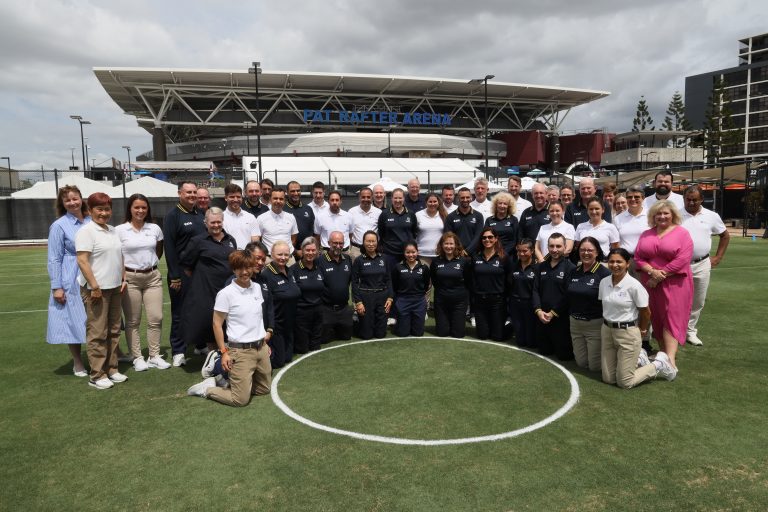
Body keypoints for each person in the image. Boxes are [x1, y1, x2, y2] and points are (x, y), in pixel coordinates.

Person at [186, 250, 273, 405]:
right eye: (240, 268)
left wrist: (264, 342)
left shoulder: (258, 288)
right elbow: (217, 324)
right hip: (240, 351)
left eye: (248, 267)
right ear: (233, 269)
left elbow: (257, 318)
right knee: (239, 400)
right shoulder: (226, 294)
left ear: (253, 268)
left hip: (261, 348)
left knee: (265, 389)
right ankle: (206, 389)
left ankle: (226, 382)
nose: (244, 272)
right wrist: (224, 352)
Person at [600, 248, 677, 388]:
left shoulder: (634, 285)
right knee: (608, 379)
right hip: (607, 331)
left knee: (625, 382)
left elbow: (646, 312)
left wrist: (642, 329)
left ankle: (659, 363)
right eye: (611, 261)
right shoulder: (604, 282)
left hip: (627, 332)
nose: (615, 265)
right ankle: (639, 357)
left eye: (619, 262)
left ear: (628, 264)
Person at [75, 192, 127, 390]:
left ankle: (112, 368)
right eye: (99, 209)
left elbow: (119, 256)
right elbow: (82, 260)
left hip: (114, 287)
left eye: (107, 209)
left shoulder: (112, 230)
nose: (104, 213)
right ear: (90, 210)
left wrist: (123, 278)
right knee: (98, 332)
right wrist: (94, 286)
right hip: (96, 289)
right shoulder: (86, 231)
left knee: (114, 330)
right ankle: (97, 374)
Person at [634, 200, 694, 371]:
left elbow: (683, 258)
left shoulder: (682, 233)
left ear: (673, 215)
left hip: (676, 283)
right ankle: (662, 353)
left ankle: (670, 359)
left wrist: (660, 275)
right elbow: (638, 256)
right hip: (650, 283)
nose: (662, 216)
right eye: (658, 214)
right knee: (657, 317)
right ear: (653, 216)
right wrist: (652, 272)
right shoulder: (646, 234)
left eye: (666, 213)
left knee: (671, 318)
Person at [116, 194, 169, 372]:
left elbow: (159, 251)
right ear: (129, 209)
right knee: (133, 321)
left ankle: (154, 356)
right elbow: (117, 257)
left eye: (143, 208)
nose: (140, 211)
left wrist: (149, 265)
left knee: (156, 318)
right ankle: (137, 356)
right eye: (136, 207)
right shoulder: (120, 230)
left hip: (152, 277)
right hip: (130, 278)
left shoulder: (154, 228)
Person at [180, 207, 237, 356]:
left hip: (228, 289)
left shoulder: (231, 240)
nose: (216, 225)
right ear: (206, 223)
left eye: (219, 222)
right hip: (207, 290)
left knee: (228, 323)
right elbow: (187, 266)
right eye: (212, 222)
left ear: (223, 222)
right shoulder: (198, 241)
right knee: (210, 324)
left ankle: (225, 355)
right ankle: (215, 361)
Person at [47, 185, 90, 377]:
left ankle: (113, 352)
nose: (72, 202)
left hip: (93, 272)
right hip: (71, 276)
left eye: (75, 198)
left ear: (81, 199)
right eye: (67, 200)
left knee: (99, 316)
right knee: (74, 320)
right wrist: (57, 287)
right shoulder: (59, 225)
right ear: (62, 204)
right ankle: (78, 362)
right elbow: (54, 258)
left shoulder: (91, 220)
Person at [681, 185, 730, 346]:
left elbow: (724, 236)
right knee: (677, 299)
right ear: (684, 199)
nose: (691, 202)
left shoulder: (711, 216)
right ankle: (675, 329)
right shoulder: (675, 215)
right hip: (679, 264)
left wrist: (718, 257)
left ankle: (690, 331)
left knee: (698, 300)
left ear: (701, 199)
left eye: (695, 199)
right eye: (688, 199)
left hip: (702, 263)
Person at [164, 181, 206, 367]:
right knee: (180, 312)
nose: (192, 195)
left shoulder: (200, 214)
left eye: (194, 192)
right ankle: (179, 350)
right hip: (181, 272)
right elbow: (170, 247)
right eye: (188, 192)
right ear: (179, 193)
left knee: (201, 308)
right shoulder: (173, 216)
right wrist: (174, 275)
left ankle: (200, 344)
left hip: (199, 271)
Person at [566, 237, 611, 372]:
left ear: (597, 252)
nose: (586, 253)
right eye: (582, 250)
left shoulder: (604, 274)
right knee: (581, 363)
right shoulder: (574, 271)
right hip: (575, 324)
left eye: (590, 250)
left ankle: (638, 358)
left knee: (595, 367)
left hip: (594, 325)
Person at [532, 233, 575, 360]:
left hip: (560, 318)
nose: (554, 250)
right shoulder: (541, 266)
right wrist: (538, 311)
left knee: (563, 356)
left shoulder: (570, 268)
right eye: (551, 246)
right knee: (544, 352)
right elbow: (535, 290)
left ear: (565, 247)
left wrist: (553, 313)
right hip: (542, 317)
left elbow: (568, 295)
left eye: (558, 246)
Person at [261, 240, 301, 368]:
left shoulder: (290, 271)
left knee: (288, 358)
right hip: (277, 325)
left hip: (290, 322)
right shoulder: (266, 275)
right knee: (278, 362)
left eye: (286, 254)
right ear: (272, 254)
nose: (283, 258)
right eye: (279, 254)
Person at [351, 231, 393, 340]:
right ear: (363, 243)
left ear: (377, 242)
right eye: (368, 241)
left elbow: (389, 279)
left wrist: (390, 297)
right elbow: (354, 283)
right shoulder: (359, 260)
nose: (371, 244)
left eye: (373, 241)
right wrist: (358, 302)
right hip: (366, 296)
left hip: (382, 296)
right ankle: (357, 321)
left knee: (380, 334)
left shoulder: (384, 259)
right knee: (366, 335)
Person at [470, 227, 509, 341]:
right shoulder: (475, 256)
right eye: (484, 238)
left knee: (497, 337)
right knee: (483, 335)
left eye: (490, 237)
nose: (487, 240)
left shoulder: (503, 257)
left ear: (496, 239)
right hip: (480, 300)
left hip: (497, 301)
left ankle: (509, 325)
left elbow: (509, 278)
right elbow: (470, 277)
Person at [430, 232, 471, 338]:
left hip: (459, 302)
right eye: (446, 244)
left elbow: (468, 280)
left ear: (456, 245)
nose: (448, 246)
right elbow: (434, 280)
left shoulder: (464, 261)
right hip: (441, 301)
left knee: (458, 334)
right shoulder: (435, 261)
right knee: (442, 333)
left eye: (451, 244)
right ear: (441, 245)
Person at [318, 231, 354, 343]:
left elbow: (349, 281)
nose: (338, 246)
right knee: (324, 339)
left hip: (343, 308)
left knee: (346, 336)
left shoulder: (347, 259)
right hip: (327, 308)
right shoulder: (320, 261)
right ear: (328, 243)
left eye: (341, 243)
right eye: (335, 243)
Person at [291, 237, 325, 353]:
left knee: (316, 347)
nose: (310, 253)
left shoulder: (320, 267)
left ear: (317, 252)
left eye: (313, 250)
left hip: (318, 310)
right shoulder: (294, 269)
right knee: (302, 349)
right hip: (302, 311)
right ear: (302, 250)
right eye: (307, 250)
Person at [392, 241, 430, 337]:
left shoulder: (424, 267)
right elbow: (394, 285)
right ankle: (399, 323)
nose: (411, 255)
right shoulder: (398, 267)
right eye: (407, 252)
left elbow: (426, 285)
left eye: (413, 252)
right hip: (403, 300)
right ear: (404, 253)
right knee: (403, 333)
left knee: (418, 333)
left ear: (417, 252)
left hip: (419, 301)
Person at [377, 188, 418, 271]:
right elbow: (381, 233)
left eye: (400, 198)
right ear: (391, 199)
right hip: (390, 254)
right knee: (391, 278)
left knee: (406, 279)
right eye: (395, 198)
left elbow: (414, 232)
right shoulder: (385, 214)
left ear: (404, 199)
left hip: (407, 254)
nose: (398, 200)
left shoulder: (410, 214)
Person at [507, 239, 537, 348]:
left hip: (530, 305)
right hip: (515, 304)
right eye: (519, 251)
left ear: (532, 250)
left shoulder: (537, 268)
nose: (522, 254)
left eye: (525, 251)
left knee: (531, 343)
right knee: (520, 342)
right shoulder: (514, 266)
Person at [254, 187, 299, 256]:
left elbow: (293, 238)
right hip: (269, 258)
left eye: (281, 199)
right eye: (275, 198)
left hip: (288, 257)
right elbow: (257, 239)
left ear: (285, 201)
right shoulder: (261, 218)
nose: (278, 201)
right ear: (270, 200)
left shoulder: (291, 217)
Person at [444, 187, 484, 254]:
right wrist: (458, 251)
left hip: (474, 254)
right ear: (458, 199)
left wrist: (467, 251)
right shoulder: (450, 217)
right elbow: (448, 237)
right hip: (456, 254)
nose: (465, 200)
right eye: (462, 197)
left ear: (471, 198)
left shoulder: (478, 216)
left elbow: (478, 236)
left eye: (467, 197)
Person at [284, 180, 316, 259]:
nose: (296, 193)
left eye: (298, 191)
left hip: (308, 252)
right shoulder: (283, 209)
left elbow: (312, 231)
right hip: (289, 252)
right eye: (292, 191)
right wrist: (295, 251)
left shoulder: (308, 209)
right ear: (287, 192)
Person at [348, 187, 381, 260]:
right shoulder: (351, 212)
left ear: (372, 198)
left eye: (368, 197)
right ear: (359, 198)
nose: (366, 199)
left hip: (373, 250)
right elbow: (348, 232)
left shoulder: (378, 212)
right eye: (363, 197)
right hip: (356, 251)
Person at [222, 183, 258, 249]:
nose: (236, 200)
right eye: (232, 197)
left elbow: (255, 241)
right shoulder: (220, 218)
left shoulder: (250, 217)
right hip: (228, 256)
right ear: (225, 198)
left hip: (247, 256)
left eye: (238, 197)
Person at [415, 192, 446, 264]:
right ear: (426, 202)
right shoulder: (418, 215)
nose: (432, 204)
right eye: (430, 202)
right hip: (422, 255)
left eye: (435, 201)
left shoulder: (443, 215)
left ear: (438, 202)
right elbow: (414, 233)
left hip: (439, 254)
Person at [485, 191, 519, 257]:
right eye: (500, 203)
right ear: (496, 205)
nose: (502, 206)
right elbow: (486, 238)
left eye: (505, 204)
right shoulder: (489, 220)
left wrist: (504, 252)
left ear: (509, 206)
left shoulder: (514, 220)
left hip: (510, 254)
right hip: (492, 254)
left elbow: (515, 239)